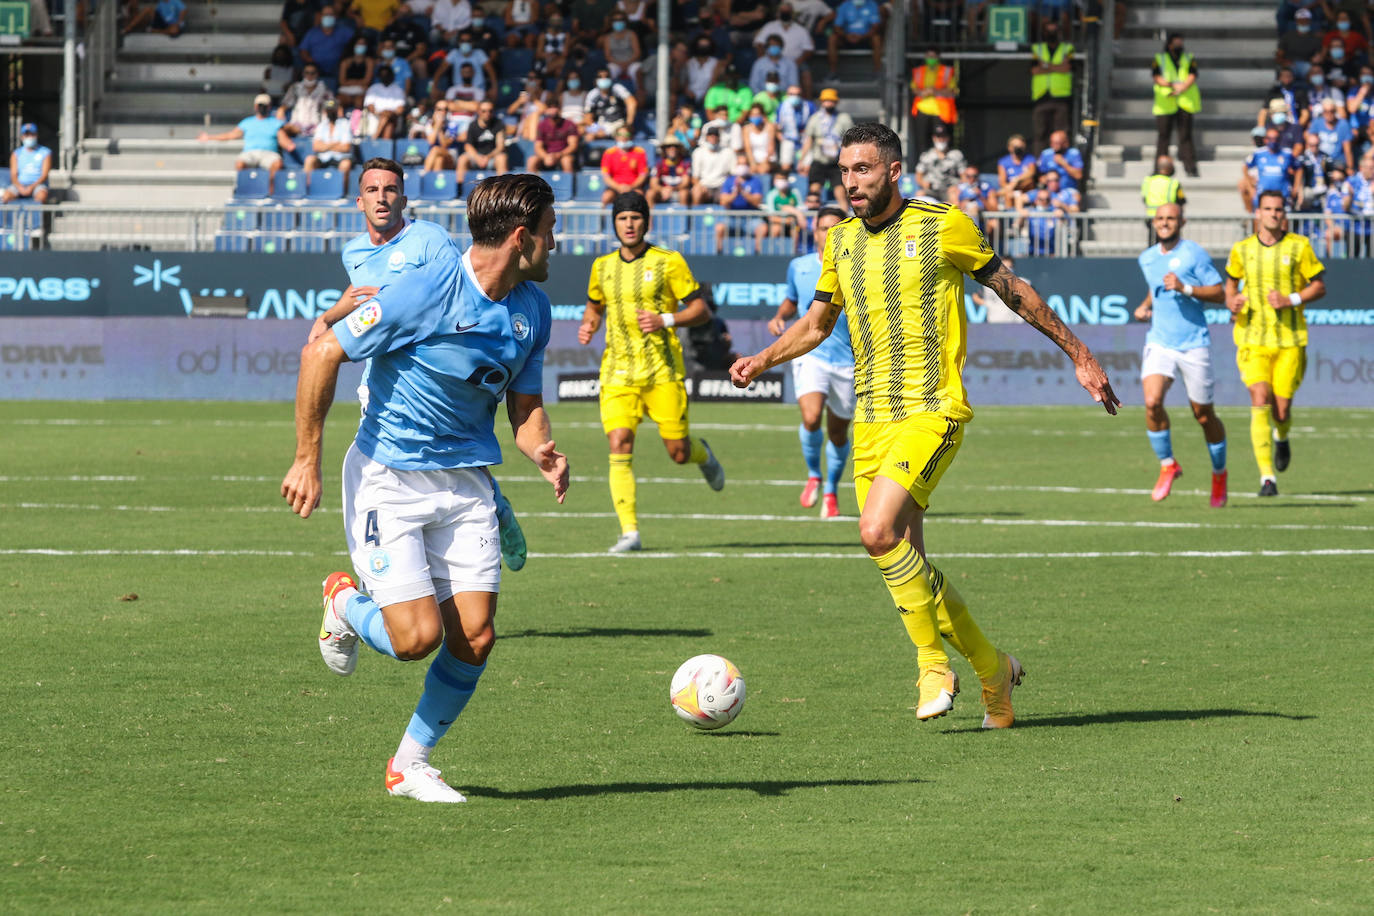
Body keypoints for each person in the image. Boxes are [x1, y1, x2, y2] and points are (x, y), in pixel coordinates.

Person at [730, 122, 1119, 728]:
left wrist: (1080, 354)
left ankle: (933, 666)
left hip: (932, 410)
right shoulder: (839, 243)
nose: (850, 182)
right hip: (871, 422)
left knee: (875, 530)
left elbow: (1013, 290)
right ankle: (994, 673)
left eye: (862, 169)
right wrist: (762, 359)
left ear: (892, 170)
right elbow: (814, 326)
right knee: (904, 560)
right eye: (844, 171)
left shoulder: (943, 224)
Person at [282, 171, 567, 803]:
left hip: (466, 484)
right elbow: (320, 354)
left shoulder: (533, 311)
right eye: (551, 232)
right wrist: (307, 459)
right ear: (521, 238)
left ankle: (408, 764)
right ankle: (344, 604)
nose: (558, 243)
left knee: (476, 635)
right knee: (416, 640)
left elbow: (524, 407)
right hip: (389, 476)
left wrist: (541, 450)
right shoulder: (426, 291)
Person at [576, 191, 726, 553]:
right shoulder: (602, 266)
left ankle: (701, 454)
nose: (629, 224)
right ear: (614, 223)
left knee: (677, 452)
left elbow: (701, 310)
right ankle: (629, 532)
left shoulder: (668, 261)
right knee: (618, 444)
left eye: (635, 218)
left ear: (647, 222)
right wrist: (588, 325)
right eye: (622, 218)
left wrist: (666, 319)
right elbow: (594, 307)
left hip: (662, 371)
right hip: (617, 373)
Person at [1223, 190, 1326, 497]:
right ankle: (1267, 478)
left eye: (1278, 209)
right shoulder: (1241, 249)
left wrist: (1290, 299)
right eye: (1267, 209)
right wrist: (1233, 303)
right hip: (1252, 338)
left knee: (1281, 410)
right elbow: (1229, 286)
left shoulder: (1299, 246)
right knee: (1259, 396)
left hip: (1290, 340)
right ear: (1258, 213)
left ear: (1285, 214)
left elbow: (1319, 285)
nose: (1273, 214)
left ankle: (1281, 436)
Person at [1132, 203, 1229, 507]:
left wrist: (1186, 287)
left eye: (1170, 218)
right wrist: (1146, 304)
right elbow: (1156, 286)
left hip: (1193, 343)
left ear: (1181, 221)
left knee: (1203, 415)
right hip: (1160, 341)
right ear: (1154, 223)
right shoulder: (1146, 258)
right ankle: (1168, 464)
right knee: (1151, 402)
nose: (1164, 223)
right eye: (1160, 218)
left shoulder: (1194, 253)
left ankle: (1219, 473)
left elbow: (1220, 292)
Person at [766, 207, 853, 518]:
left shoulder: (857, 266)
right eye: (822, 228)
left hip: (849, 362)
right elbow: (792, 299)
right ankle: (814, 474)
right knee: (812, 416)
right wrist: (779, 316)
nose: (828, 233)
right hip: (810, 354)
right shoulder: (799, 266)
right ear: (814, 232)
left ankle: (831, 489)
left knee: (839, 432)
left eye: (835, 228)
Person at [197, 94, 296, 191]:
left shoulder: (275, 122)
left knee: (277, 163)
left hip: (269, 154)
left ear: (269, 106)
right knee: (240, 163)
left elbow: (282, 138)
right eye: (260, 105)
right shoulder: (247, 122)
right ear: (255, 107)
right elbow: (230, 135)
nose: (262, 108)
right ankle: (242, 189)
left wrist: (288, 145)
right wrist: (209, 137)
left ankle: (271, 191)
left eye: (264, 106)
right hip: (250, 154)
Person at [1152, 33, 1201, 177]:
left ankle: (1190, 168)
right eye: (1176, 42)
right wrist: (1172, 85)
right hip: (1166, 102)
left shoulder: (1188, 58)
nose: (1179, 44)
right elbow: (1156, 76)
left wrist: (1182, 87)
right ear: (1169, 44)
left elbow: (1193, 74)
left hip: (1184, 102)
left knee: (1185, 137)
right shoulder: (1160, 58)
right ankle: (1158, 169)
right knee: (1163, 138)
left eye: (1181, 42)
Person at [798, 88, 853, 206]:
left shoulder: (843, 118)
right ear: (821, 102)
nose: (828, 103)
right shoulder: (815, 118)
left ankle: (844, 217)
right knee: (814, 191)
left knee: (840, 192)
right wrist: (802, 160)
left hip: (837, 161)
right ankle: (814, 219)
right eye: (826, 100)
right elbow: (808, 140)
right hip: (819, 160)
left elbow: (850, 140)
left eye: (831, 100)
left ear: (836, 102)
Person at [1029, 21, 1074, 153]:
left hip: (1061, 97)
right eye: (1048, 31)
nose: (1051, 34)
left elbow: (1067, 68)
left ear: (1060, 33)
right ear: (1043, 33)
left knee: (1061, 134)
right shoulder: (1037, 48)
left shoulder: (1067, 48)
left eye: (1054, 31)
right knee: (1040, 133)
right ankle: (1040, 163)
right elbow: (1034, 70)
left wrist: (1045, 66)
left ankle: (1061, 160)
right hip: (1041, 96)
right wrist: (1057, 67)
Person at [754, 2, 816, 97]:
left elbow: (809, 49)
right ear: (778, 13)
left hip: (796, 62)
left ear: (792, 13)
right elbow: (759, 43)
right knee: (762, 68)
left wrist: (797, 62)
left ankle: (807, 102)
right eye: (783, 11)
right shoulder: (770, 26)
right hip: (770, 60)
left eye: (787, 12)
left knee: (805, 73)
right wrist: (764, 60)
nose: (785, 14)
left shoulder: (801, 30)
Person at [909, 47, 958, 163]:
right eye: (928, 56)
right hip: (923, 108)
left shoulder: (946, 71)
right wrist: (924, 92)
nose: (931, 59)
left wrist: (934, 91)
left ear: (938, 57)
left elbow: (953, 91)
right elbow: (914, 89)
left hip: (940, 110)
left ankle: (942, 162)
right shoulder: (919, 71)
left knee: (941, 138)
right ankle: (923, 163)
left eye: (933, 56)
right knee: (922, 139)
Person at [299, 6, 356, 91]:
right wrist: (310, 61)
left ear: (335, 16)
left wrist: (347, 59)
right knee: (309, 71)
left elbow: (358, 42)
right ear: (321, 16)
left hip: (337, 66)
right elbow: (303, 50)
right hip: (316, 66)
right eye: (326, 15)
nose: (328, 17)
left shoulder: (344, 31)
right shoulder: (312, 32)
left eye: (331, 14)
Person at [1242, 126, 1299, 213]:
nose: (1273, 141)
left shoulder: (1287, 154)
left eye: (1276, 138)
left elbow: (1299, 168)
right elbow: (1245, 166)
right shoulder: (1258, 154)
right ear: (1265, 140)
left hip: (1283, 194)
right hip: (1262, 194)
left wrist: (1296, 187)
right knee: (1259, 219)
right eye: (1270, 138)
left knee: (1283, 221)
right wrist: (1250, 187)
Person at [826, 0, 884, 82]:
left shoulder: (872, 4)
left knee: (876, 38)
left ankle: (877, 73)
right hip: (847, 38)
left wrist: (862, 36)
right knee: (832, 38)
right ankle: (833, 73)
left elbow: (875, 26)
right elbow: (837, 27)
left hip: (866, 38)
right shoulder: (845, 5)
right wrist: (846, 36)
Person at [715, 160, 766, 253]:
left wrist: (743, 192)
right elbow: (723, 201)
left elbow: (757, 202)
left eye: (744, 164)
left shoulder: (755, 181)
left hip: (750, 218)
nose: (742, 166)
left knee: (762, 228)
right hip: (731, 218)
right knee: (719, 228)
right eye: (740, 164)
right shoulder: (729, 181)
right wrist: (735, 194)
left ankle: (758, 253)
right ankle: (718, 253)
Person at [454, 101, 508, 186]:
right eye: (484, 111)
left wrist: (488, 157)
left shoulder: (498, 124)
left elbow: (500, 146)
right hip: (476, 156)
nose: (487, 113)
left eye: (490, 111)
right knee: (462, 159)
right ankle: (459, 188)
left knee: (502, 158)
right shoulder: (473, 125)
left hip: (492, 157)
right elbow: (468, 145)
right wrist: (477, 157)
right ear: (479, 111)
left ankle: (502, 189)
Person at [915, 122, 966, 201]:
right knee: (920, 194)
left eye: (943, 136)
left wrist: (958, 186)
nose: (941, 139)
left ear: (948, 138)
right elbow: (918, 175)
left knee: (955, 195)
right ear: (934, 138)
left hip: (949, 190)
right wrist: (923, 183)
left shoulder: (957, 154)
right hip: (932, 189)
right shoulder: (926, 155)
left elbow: (964, 176)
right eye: (938, 137)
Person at [304, 99, 355, 177]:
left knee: (345, 164)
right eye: (329, 110)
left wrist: (325, 145)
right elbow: (316, 147)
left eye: (332, 110)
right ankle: (307, 188)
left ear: (337, 110)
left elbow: (346, 147)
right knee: (309, 160)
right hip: (323, 158)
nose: (330, 112)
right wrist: (334, 144)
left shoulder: (345, 123)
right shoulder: (322, 125)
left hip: (341, 158)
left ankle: (341, 189)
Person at [598, 126, 649, 205]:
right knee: (606, 197)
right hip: (615, 188)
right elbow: (606, 176)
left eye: (626, 134)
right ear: (616, 137)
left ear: (631, 136)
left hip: (634, 187)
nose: (623, 137)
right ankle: (602, 217)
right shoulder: (609, 153)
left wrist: (631, 187)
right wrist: (618, 187)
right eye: (620, 134)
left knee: (640, 196)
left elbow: (642, 175)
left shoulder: (640, 152)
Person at [1141, 154, 1186, 242]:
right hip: (1169, 219)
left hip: (1151, 218)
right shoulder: (1174, 183)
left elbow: (1144, 198)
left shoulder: (1148, 181)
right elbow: (1181, 201)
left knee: (1153, 245)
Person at [4, 123, 51, 205]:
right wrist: (20, 187)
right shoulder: (16, 153)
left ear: (36, 135)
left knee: (41, 197)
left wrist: (31, 187)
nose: (29, 137)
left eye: (32, 134)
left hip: (38, 185)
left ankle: (39, 217)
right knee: (6, 196)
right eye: (26, 135)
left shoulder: (45, 152)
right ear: (22, 137)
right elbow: (14, 175)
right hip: (19, 185)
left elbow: (44, 175)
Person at [690, 125, 736, 204]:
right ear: (706, 137)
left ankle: (724, 216)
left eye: (715, 135)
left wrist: (727, 187)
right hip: (705, 186)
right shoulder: (698, 152)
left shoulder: (728, 152)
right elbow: (695, 178)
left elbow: (734, 174)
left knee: (728, 194)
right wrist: (700, 186)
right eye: (710, 135)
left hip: (722, 186)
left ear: (719, 137)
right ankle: (696, 215)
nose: (713, 137)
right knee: (696, 191)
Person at [1309, 97, 1356, 168]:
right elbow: (1310, 143)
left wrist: (1350, 168)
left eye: (1332, 111)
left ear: (1335, 111)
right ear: (1322, 112)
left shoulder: (1343, 124)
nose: (1329, 114)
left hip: (1337, 161)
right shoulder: (1317, 122)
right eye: (1326, 111)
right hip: (1320, 159)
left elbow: (1348, 150)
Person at [532, 107, 581, 173]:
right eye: (551, 117)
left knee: (566, 161)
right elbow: (538, 146)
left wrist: (559, 155)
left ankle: (567, 182)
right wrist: (545, 156)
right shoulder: (542, 125)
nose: (554, 120)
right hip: (547, 155)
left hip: (564, 154)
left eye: (556, 117)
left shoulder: (569, 124)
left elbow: (573, 145)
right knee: (532, 161)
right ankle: (531, 182)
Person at [996, 133, 1037, 208]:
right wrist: (1011, 187)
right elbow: (1002, 182)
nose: (1018, 148)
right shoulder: (1003, 161)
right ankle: (1010, 216)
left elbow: (1031, 172)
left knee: (1029, 181)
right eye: (1015, 146)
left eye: (1020, 146)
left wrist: (1017, 180)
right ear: (1009, 147)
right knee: (1005, 194)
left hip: (1025, 189)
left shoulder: (1029, 158)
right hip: (1010, 189)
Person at [647, 138, 692, 205]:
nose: (672, 149)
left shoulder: (685, 162)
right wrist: (662, 189)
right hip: (663, 191)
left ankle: (682, 215)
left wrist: (672, 189)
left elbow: (686, 183)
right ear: (664, 149)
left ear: (679, 149)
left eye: (675, 146)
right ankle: (650, 215)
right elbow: (653, 183)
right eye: (669, 146)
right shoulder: (659, 163)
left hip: (678, 190)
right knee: (650, 193)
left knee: (684, 193)